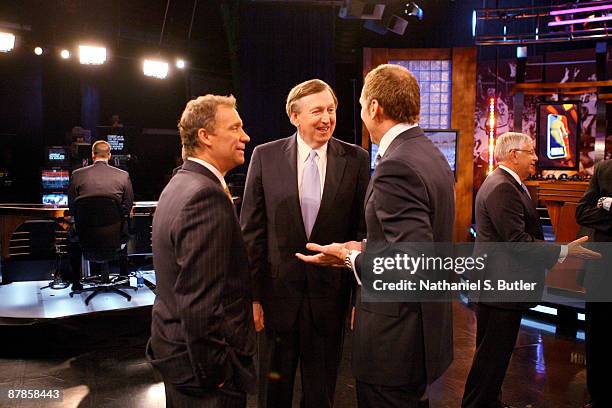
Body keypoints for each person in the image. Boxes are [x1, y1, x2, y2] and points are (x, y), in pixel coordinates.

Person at [297, 64, 456, 408]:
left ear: (374, 108)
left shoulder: (396, 166)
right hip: (419, 335)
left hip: (394, 344)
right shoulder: (429, 154)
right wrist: (367, 245)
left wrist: (348, 257)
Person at [240, 79, 370, 408]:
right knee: (273, 394)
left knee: (321, 394)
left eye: (331, 110)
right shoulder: (265, 156)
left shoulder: (356, 160)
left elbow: (363, 231)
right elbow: (252, 233)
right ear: (295, 116)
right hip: (276, 299)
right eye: (317, 111)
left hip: (330, 300)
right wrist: (253, 297)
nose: (327, 118)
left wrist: (359, 297)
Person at [461, 132, 600, 408]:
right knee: (490, 361)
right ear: (514, 155)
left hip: (497, 288)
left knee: (491, 361)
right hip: (500, 290)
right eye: (531, 152)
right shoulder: (502, 186)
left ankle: (489, 403)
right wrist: (563, 251)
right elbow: (517, 242)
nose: (536, 158)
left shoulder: (504, 183)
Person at [146, 94, 255, 408]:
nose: (244, 136)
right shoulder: (205, 196)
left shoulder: (180, 183)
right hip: (202, 374)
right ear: (205, 136)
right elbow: (200, 303)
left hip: (177, 354)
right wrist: (215, 372)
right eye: (235, 128)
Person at [67, 140, 134, 289]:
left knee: (71, 235)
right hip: (114, 235)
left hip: (86, 235)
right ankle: (124, 276)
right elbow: (127, 206)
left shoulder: (77, 175)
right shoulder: (123, 176)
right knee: (125, 225)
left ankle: (76, 283)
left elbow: (72, 207)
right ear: (109, 155)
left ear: (93, 155)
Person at [576, 158, 612, 408]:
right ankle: (597, 397)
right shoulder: (603, 169)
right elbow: (582, 212)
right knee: (598, 336)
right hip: (601, 267)